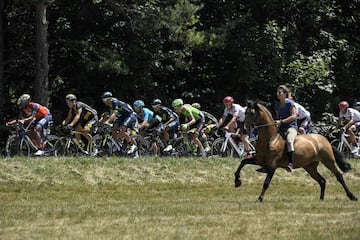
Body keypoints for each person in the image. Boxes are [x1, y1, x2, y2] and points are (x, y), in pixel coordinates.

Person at [100, 92, 138, 156]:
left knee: (121, 129)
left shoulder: (115, 102)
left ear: (109, 98)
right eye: (103, 99)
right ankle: (119, 143)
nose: (104, 101)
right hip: (122, 116)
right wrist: (101, 123)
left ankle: (131, 145)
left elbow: (114, 114)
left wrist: (108, 122)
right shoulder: (107, 106)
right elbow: (105, 115)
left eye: (105, 99)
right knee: (113, 130)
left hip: (130, 115)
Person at [274, 85, 298, 172]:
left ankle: (291, 164)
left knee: (289, 141)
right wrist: (277, 123)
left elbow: (294, 116)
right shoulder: (277, 105)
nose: (278, 94)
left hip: (291, 127)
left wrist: (282, 122)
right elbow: (278, 117)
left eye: (280, 92)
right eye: (277, 92)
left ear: (285, 94)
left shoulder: (290, 104)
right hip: (282, 127)